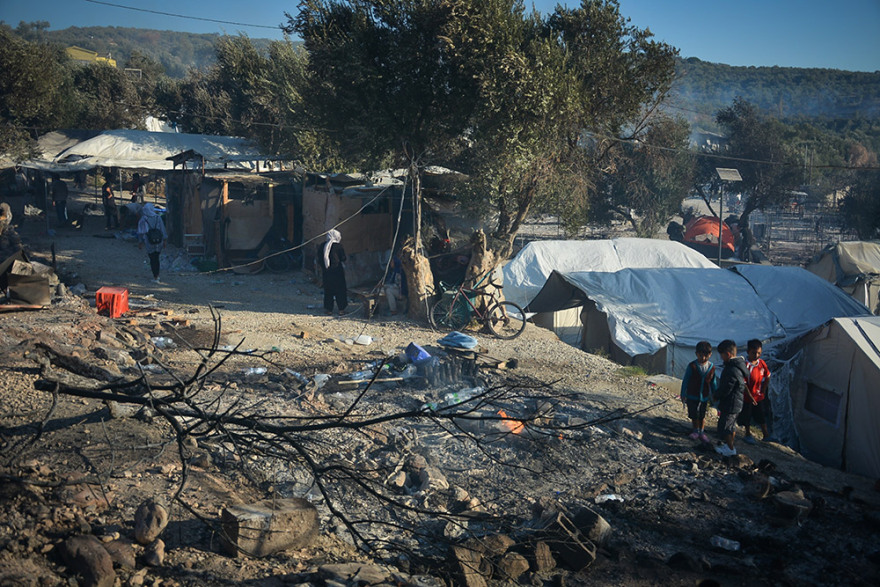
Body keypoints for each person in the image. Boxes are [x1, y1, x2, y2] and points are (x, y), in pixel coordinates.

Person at [713, 339, 749, 457]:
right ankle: (729, 445)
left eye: (722, 355)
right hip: (737, 402)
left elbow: (726, 387)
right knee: (731, 426)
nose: (721, 357)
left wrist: (716, 395)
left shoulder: (731, 369)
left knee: (726, 426)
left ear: (727, 354)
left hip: (731, 402)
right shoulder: (739, 366)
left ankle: (730, 449)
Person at [679, 341, 717, 443]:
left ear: (710, 354)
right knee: (694, 414)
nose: (703, 358)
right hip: (692, 395)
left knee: (702, 415)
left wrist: (715, 394)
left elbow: (713, 382)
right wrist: (683, 393)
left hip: (704, 397)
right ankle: (695, 430)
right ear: (696, 354)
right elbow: (686, 380)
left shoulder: (711, 367)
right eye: (700, 355)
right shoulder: (692, 366)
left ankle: (701, 432)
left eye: (705, 356)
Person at [739, 339, 771, 444]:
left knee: (761, 415)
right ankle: (747, 434)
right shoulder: (745, 365)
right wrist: (749, 395)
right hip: (747, 397)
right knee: (747, 415)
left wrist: (763, 390)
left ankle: (766, 434)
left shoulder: (761, 364)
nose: (756, 355)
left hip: (759, 396)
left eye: (759, 353)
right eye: (754, 353)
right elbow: (743, 383)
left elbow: (767, 376)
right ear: (748, 352)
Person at [138, 204, 167, 284]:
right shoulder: (158, 217)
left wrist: (140, 242)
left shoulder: (143, 219)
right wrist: (164, 240)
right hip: (159, 241)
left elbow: (140, 232)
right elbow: (162, 229)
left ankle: (155, 275)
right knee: (157, 258)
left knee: (152, 259)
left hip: (149, 242)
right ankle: (157, 275)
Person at [320, 229, 347, 316]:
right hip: (337, 272)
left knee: (328, 290)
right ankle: (341, 310)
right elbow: (343, 258)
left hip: (326, 272)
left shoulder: (322, 246)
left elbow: (319, 258)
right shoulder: (338, 246)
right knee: (340, 290)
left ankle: (329, 309)